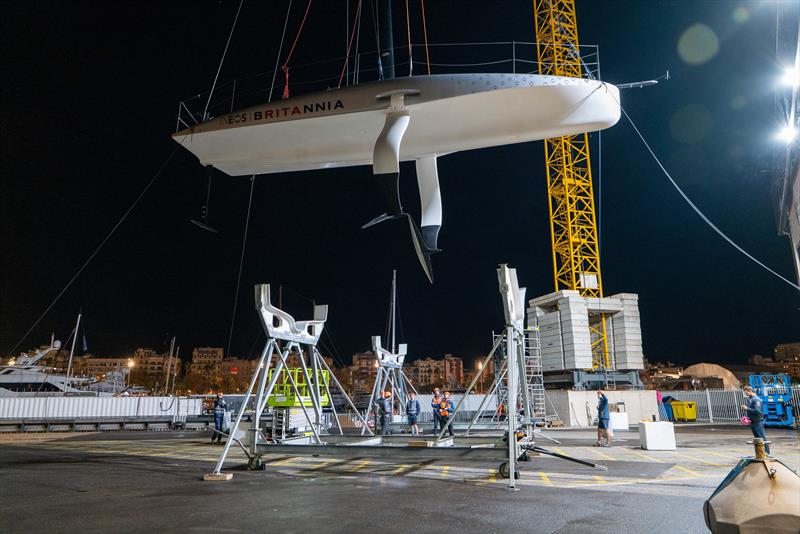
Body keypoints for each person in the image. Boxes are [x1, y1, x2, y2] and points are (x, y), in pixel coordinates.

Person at [741, 385, 770, 455]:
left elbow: (758, 411)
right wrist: (748, 417)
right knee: (757, 439)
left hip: (758, 422)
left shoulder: (756, 400)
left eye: (746, 393)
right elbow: (752, 410)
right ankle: (760, 453)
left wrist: (747, 408)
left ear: (750, 391)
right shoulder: (751, 399)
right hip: (753, 422)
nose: (746, 394)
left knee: (762, 438)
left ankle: (767, 453)